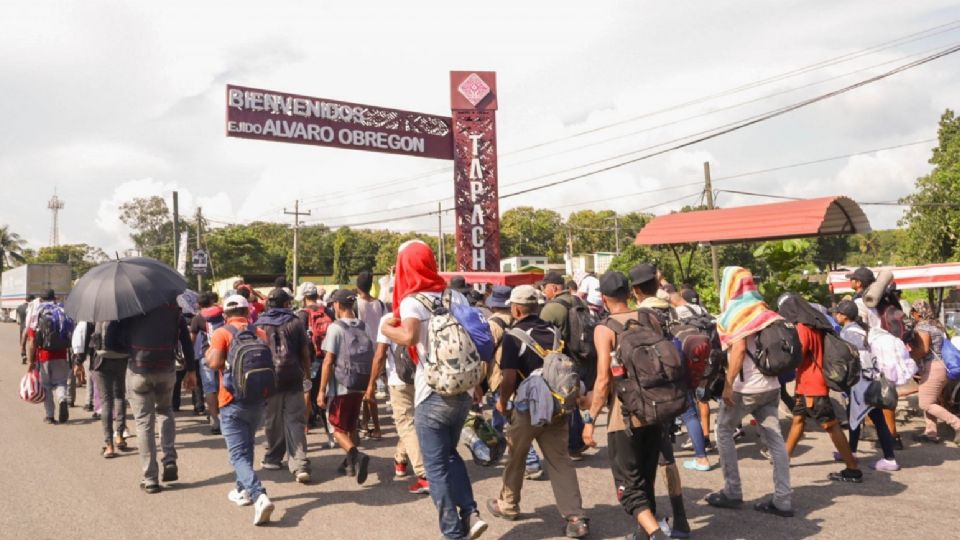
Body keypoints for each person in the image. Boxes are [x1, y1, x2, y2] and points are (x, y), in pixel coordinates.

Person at [381, 240, 488, 540]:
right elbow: (474, 340)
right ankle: (470, 513)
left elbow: (408, 335)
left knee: (435, 466)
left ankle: (453, 533)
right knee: (450, 454)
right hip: (464, 390)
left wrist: (387, 328)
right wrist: (477, 383)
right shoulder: (456, 296)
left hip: (432, 394)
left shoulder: (412, 301)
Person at [487, 284, 589, 539]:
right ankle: (575, 517)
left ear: (518, 308)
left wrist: (503, 401)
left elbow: (509, 377)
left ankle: (508, 505)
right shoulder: (554, 332)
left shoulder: (514, 336)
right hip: (556, 406)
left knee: (517, 457)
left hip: (527, 409)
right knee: (560, 460)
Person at [584, 271, 672, 539]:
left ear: (603, 297)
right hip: (656, 410)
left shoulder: (605, 328)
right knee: (645, 480)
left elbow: (602, 381)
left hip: (624, 417)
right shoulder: (649, 319)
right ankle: (644, 534)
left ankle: (655, 533)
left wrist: (590, 420)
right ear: (631, 292)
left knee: (628, 489)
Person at [704, 266, 793, 517]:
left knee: (723, 430)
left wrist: (729, 384)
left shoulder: (735, 313)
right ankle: (783, 499)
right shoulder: (766, 310)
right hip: (771, 385)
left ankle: (732, 491)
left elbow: (739, 349)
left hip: (746, 388)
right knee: (775, 440)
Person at [624, 264, 692, 536]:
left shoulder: (642, 315)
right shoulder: (676, 308)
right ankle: (680, 518)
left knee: (653, 459)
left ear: (636, 290)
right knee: (667, 455)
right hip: (680, 386)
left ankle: (655, 525)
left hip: (653, 394)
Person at [205, 295, 275, 525]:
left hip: (231, 400)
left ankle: (258, 495)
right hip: (257, 400)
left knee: (237, 454)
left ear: (225, 315)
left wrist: (208, 353)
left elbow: (214, 364)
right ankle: (242, 491)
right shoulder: (260, 333)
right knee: (247, 446)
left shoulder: (222, 333)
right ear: (248, 312)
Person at [779, 294, 863, 483]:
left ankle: (852, 468)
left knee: (830, 425)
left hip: (812, 385)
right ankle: (783, 459)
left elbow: (798, 355)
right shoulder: (816, 324)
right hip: (807, 384)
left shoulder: (803, 327)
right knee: (798, 420)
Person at [124, 300, 196, 493]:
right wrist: (191, 369)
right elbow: (186, 341)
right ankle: (170, 458)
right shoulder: (173, 308)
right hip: (166, 367)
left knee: (144, 422)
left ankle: (150, 478)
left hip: (138, 369)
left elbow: (116, 339)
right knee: (165, 411)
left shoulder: (132, 307)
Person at [833, 300, 900, 470]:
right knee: (854, 417)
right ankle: (851, 451)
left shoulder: (850, 333)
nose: (835, 315)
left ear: (844, 316)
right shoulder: (860, 329)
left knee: (876, 419)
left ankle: (889, 459)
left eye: (837, 313)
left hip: (861, 383)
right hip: (868, 380)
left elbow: (858, 360)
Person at [371, 309, 429, 494]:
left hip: (399, 380)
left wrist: (371, 383)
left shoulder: (389, 319)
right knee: (412, 421)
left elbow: (380, 354)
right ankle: (400, 459)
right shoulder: (424, 312)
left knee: (406, 424)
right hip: (423, 376)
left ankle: (424, 475)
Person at [256, 288, 312, 483]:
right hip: (293, 377)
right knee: (295, 420)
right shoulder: (295, 322)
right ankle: (300, 464)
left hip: (270, 378)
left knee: (272, 420)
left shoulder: (261, 323)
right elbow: (305, 352)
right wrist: (307, 373)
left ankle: (273, 457)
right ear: (286, 303)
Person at [319, 288, 373, 484]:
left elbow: (328, 361)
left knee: (337, 429)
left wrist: (321, 390)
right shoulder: (364, 327)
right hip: (359, 383)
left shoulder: (336, 328)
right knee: (350, 424)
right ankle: (348, 465)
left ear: (338, 305)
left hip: (341, 385)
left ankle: (356, 455)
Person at [539, 271, 591, 460]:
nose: (544, 291)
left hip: (564, 362)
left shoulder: (552, 307)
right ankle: (578, 441)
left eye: (545, 287)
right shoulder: (579, 302)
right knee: (576, 401)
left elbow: (540, 333)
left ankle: (573, 445)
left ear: (553, 287)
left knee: (567, 403)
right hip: (583, 357)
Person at [911, 299, 960, 444]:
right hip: (941, 366)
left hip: (932, 367)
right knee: (931, 400)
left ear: (918, 313)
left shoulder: (922, 326)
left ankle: (957, 424)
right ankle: (930, 432)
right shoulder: (936, 325)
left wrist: (909, 357)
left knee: (925, 404)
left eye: (913, 312)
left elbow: (924, 349)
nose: (912, 315)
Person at [24, 289, 73, 424]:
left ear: (41, 299)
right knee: (61, 382)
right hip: (62, 354)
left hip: (44, 355)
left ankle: (50, 416)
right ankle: (62, 399)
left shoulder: (37, 313)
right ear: (54, 298)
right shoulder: (62, 311)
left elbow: (32, 341)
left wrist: (30, 360)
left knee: (46, 386)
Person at [86, 319, 131, 458]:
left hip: (102, 359)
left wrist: (79, 361)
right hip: (122, 358)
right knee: (120, 396)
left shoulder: (98, 311)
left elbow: (90, 339)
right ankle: (120, 436)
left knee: (107, 401)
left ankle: (109, 445)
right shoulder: (125, 311)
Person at [297, 283, 334, 431]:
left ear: (305, 297)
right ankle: (328, 421)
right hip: (327, 356)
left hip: (310, 357)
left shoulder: (302, 314)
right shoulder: (327, 311)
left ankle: (307, 422)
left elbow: (299, 339)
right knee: (324, 388)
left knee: (308, 388)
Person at [356, 270, 387, 440]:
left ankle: (376, 427)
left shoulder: (356, 304)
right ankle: (366, 423)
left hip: (362, 351)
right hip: (379, 349)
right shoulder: (380, 304)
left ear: (357, 286)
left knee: (369, 390)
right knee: (368, 388)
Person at [194, 292, 225, 435]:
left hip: (206, 356)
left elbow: (192, 340)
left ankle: (215, 420)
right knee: (223, 385)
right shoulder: (222, 315)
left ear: (199, 305)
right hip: (223, 355)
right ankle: (225, 417)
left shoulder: (198, 318)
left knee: (209, 388)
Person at [16, 294, 35, 363]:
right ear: (32, 300)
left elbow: (18, 320)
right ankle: (32, 358)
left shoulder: (19, 307)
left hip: (22, 327)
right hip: (30, 327)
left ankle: (23, 356)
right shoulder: (33, 307)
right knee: (31, 343)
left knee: (22, 343)